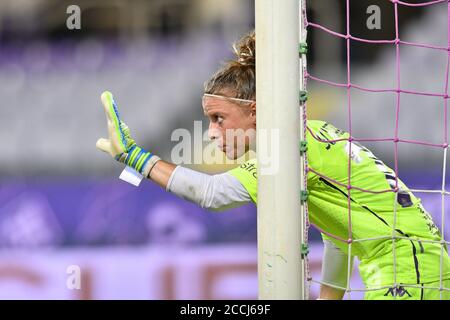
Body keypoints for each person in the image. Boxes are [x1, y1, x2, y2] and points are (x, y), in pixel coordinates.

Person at [96, 30, 450, 300]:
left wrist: (134, 157)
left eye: (219, 118)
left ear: (254, 111)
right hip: (424, 269)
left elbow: (212, 194)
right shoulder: (310, 136)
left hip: (406, 273)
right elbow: (339, 240)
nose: (212, 132)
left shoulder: (286, 148)